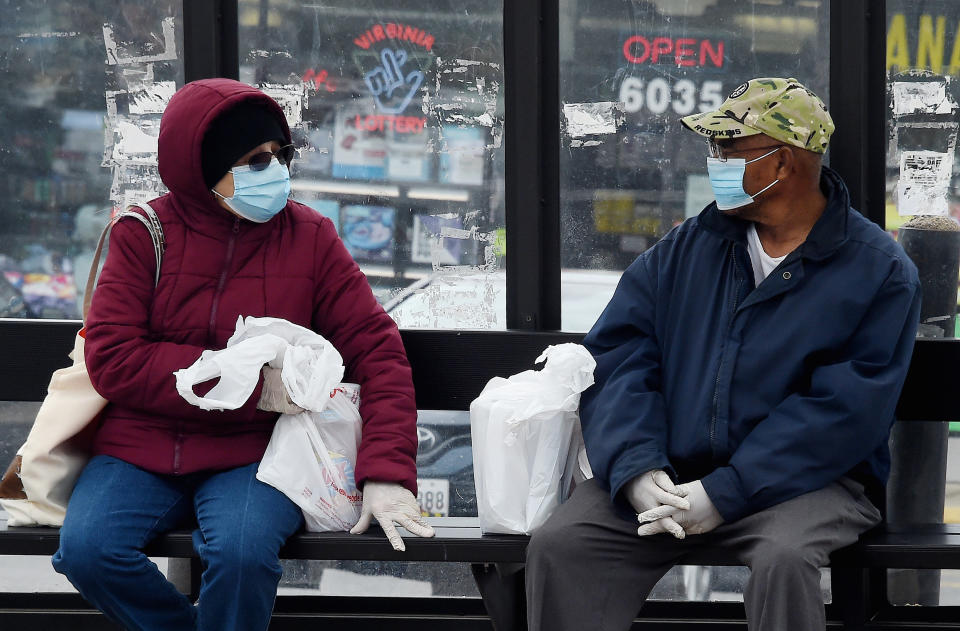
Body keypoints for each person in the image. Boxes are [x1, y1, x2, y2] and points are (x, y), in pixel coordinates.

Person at [526, 77, 922, 631]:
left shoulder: (878, 271)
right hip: (670, 473)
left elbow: (844, 411)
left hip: (811, 482)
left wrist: (724, 492)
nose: (715, 163)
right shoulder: (688, 246)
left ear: (782, 163)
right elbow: (617, 356)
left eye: (728, 150)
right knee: (562, 546)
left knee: (784, 560)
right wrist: (637, 468)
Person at [51, 78, 434, 631]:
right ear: (201, 167)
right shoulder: (144, 234)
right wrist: (254, 389)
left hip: (251, 455)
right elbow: (114, 357)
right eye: (255, 161)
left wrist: (387, 472)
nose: (274, 171)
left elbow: (379, 352)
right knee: (87, 551)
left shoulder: (310, 237)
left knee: (241, 557)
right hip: (139, 446)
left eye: (281, 155)